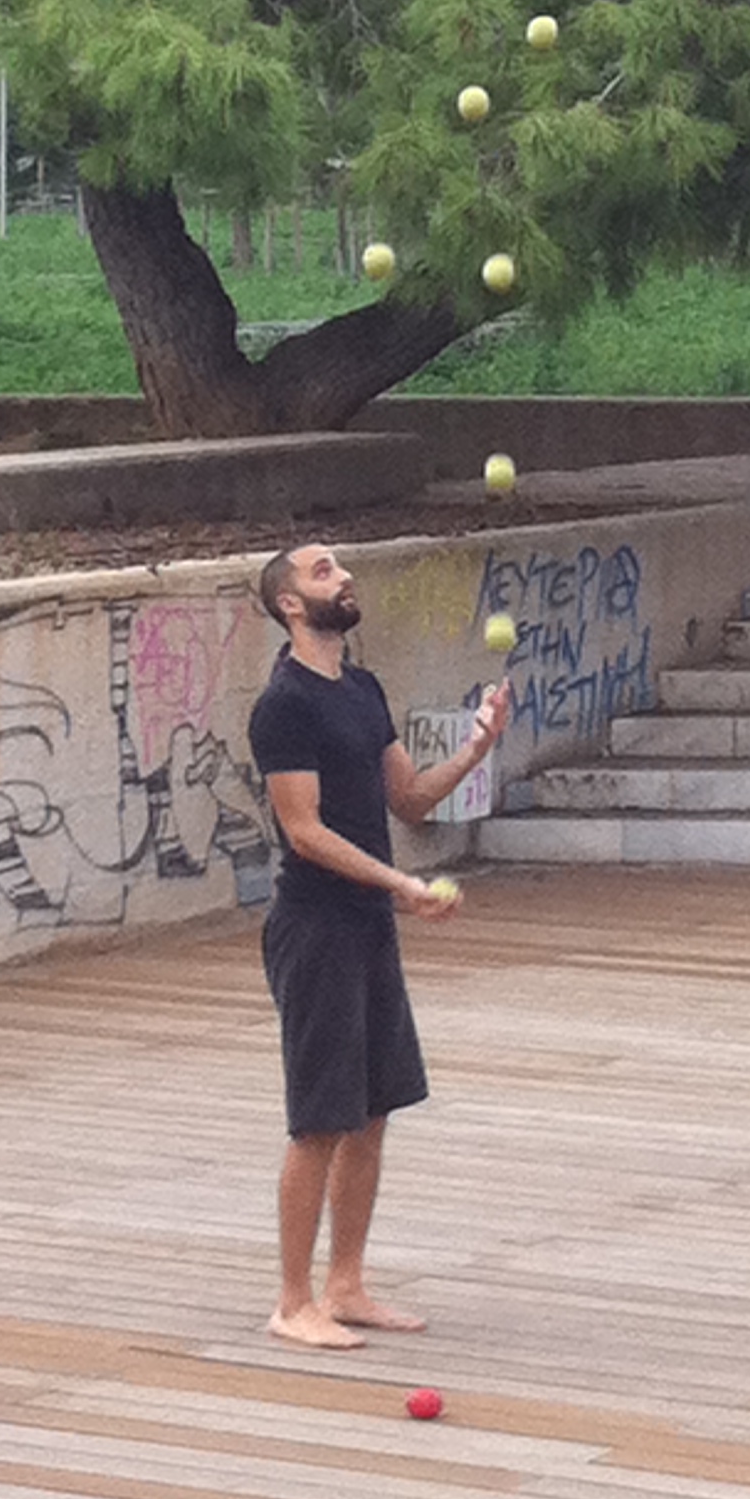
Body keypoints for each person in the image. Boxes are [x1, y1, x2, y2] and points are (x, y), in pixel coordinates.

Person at [249, 539, 510, 1350]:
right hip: (315, 926)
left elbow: (410, 800)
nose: (344, 576)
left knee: (371, 1112)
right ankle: (293, 1303)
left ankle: (346, 1284)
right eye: (323, 571)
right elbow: (304, 831)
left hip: (366, 924)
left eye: (340, 566)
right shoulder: (284, 705)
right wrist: (400, 884)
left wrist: (475, 748)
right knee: (319, 1121)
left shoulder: (362, 689)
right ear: (290, 603)